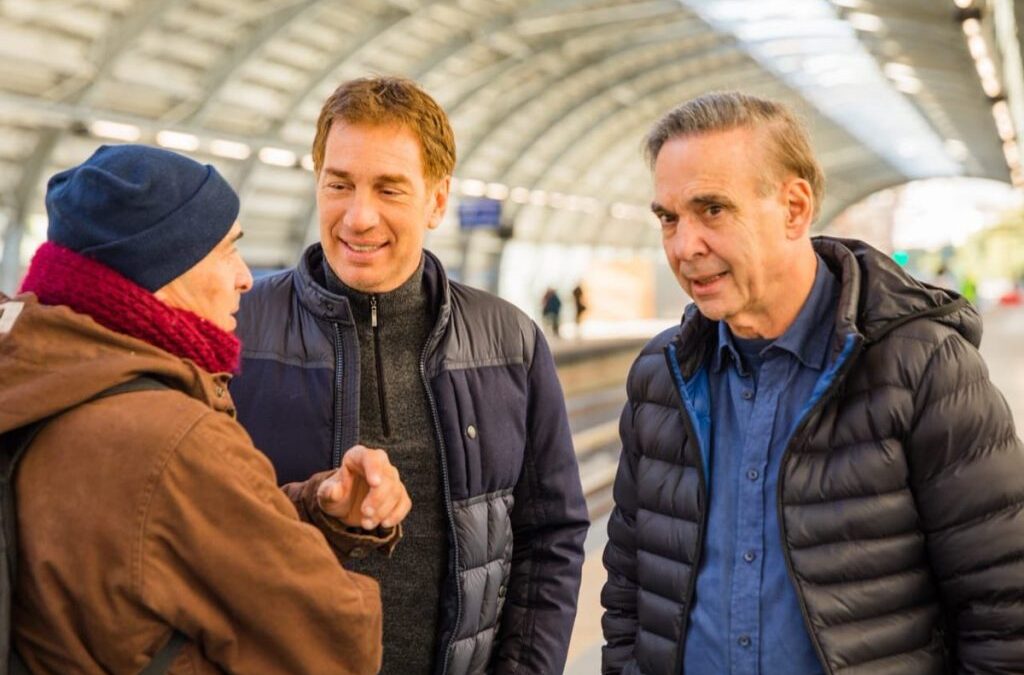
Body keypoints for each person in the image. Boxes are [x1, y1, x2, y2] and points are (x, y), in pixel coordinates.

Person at [601, 92, 1024, 674]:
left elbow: (1004, 607)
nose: (683, 246)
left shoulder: (923, 369)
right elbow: (630, 587)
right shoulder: (660, 378)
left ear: (794, 208)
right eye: (669, 218)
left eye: (712, 210)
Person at [1, 144, 413, 673]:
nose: (245, 277)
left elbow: (149, 540)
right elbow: (335, 637)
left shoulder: (40, 374)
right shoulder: (174, 440)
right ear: (164, 271)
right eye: (227, 250)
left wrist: (312, 509)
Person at [230, 76, 589, 675]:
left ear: (438, 200)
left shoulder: (510, 341)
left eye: (389, 189)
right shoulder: (236, 331)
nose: (359, 216)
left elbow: (550, 534)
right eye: (338, 184)